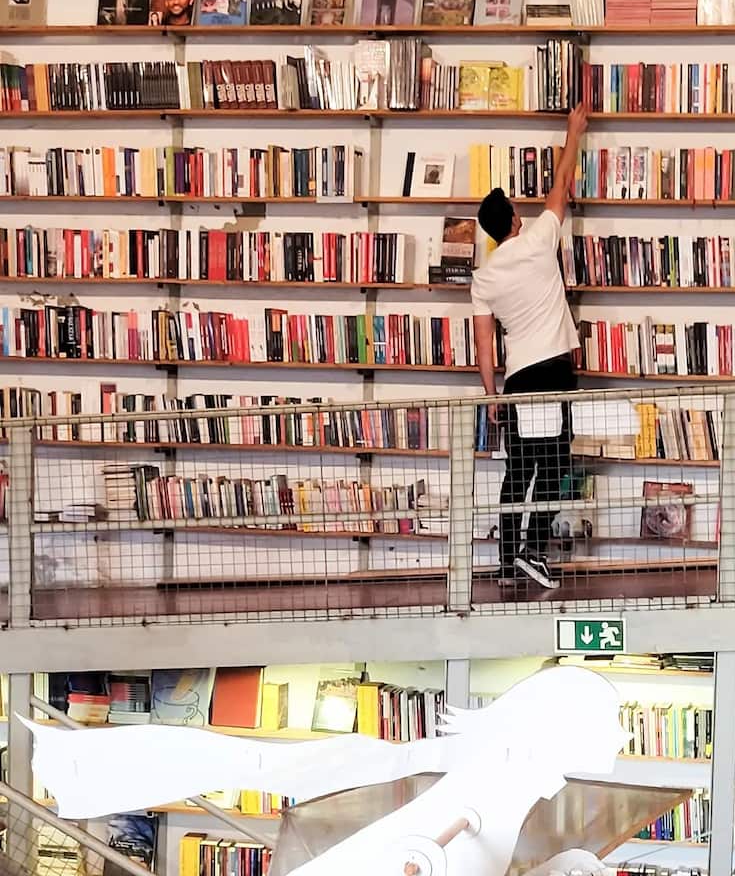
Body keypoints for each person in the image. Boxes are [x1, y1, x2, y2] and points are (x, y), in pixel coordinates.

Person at [25, 665, 628, 876]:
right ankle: (86, 767)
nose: (563, 784)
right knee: (260, 764)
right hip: (366, 788)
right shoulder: (471, 795)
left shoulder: (499, 795)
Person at [471, 104, 588, 590]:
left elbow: (484, 344)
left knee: (518, 472)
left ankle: (506, 561)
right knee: (557, 465)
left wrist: (491, 393)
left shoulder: (483, 276)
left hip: (518, 379)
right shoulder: (540, 239)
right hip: (554, 371)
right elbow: (561, 185)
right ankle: (533, 552)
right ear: (514, 219)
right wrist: (573, 131)